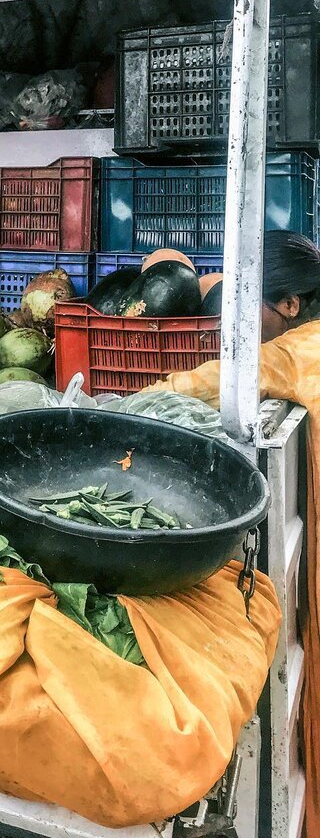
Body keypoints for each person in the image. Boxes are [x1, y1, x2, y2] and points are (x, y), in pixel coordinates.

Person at [156, 229, 320, 838]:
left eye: (247, 297)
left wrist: (119, 403)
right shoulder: (307, 342)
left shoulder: (296, 353)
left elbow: (209, 383)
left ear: (290, 304)